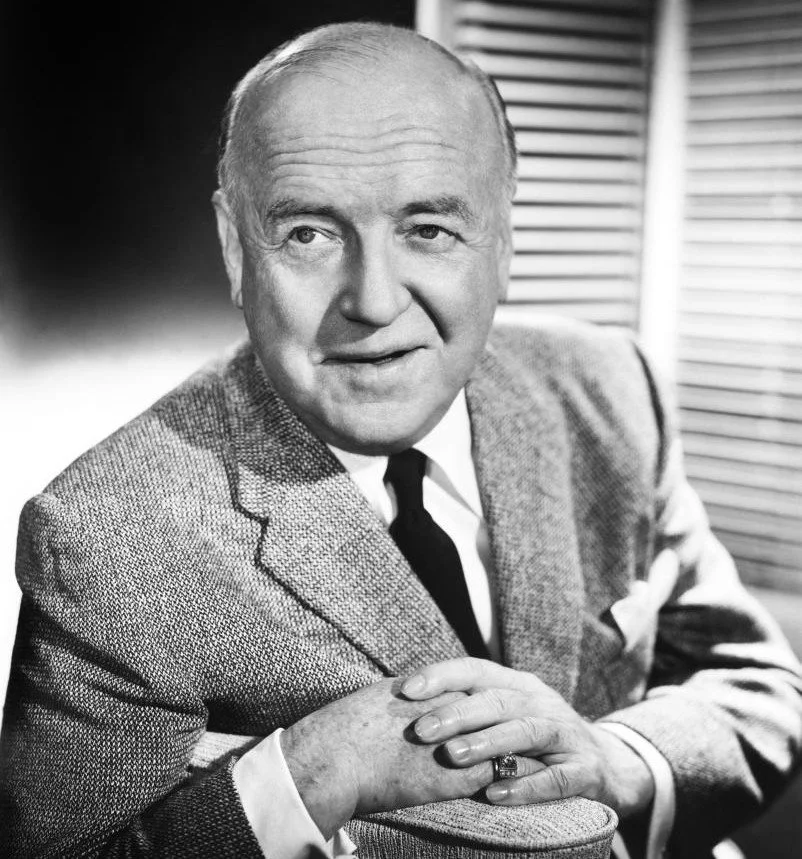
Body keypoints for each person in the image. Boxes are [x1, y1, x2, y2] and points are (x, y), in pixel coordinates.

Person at [1, 21, 800, 859]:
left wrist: (620, 759)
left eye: (428, 229)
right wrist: (307, 772)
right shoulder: (105, 533)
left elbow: (758, 685)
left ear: (503, 240)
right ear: (237, 249)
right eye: (309, 232)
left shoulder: (609, 386)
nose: (374, 301)